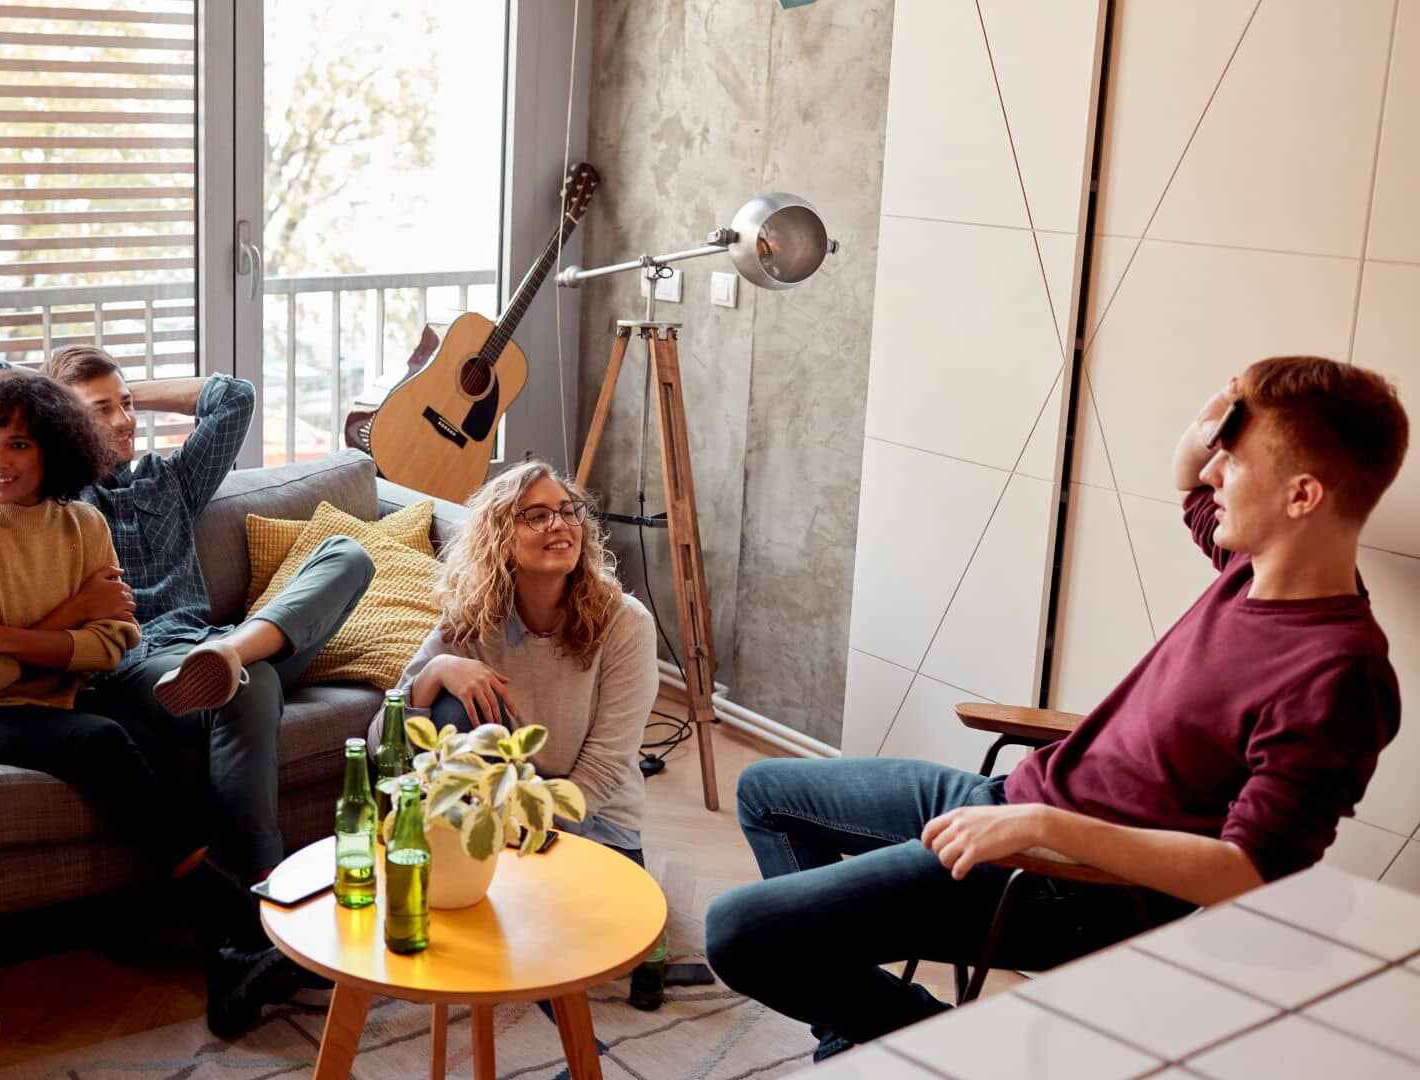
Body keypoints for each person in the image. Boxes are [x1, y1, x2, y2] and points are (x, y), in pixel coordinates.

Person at [706, 355, 1407, 1060]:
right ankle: (861, 1031)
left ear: (1302, 496)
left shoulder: (1337, 674)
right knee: (765, 792)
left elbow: (1249, 874)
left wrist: (1044, 827)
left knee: (741, 933)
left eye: (1235, 458)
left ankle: (942, 1053)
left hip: (1067, 885)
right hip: (1012, 801)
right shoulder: (1250, 566)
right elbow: (1186, 476)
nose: (1214, 470)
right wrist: (1220, 416)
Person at [0, 366, 289, 1038]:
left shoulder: (83, 524)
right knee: (102, 741)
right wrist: (69, 621)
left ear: (54, 448)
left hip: (68, 694)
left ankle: (226, 953)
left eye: (19, 444)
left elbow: (115, 642)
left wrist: (12, 636)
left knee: (166, 732)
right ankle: (240, 931)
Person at [377, 460, 673, 1008]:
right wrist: (436, 671)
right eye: (535, 516)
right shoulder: (473, 618)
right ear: (498, 538)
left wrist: (522, 836)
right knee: (447, 704)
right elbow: (381, 740)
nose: (559, 525)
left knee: (557, 949)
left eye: (567, 511)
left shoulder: (625, 623)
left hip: (591, 820)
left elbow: (605, 769)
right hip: (497, 819)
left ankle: (633, 929)